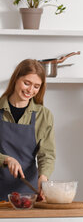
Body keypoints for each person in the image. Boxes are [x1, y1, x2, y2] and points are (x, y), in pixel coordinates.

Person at [0, 59, 55, 200]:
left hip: (26, 193)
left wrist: (43, 178)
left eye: (36, 86)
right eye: (27, 83)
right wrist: (6, 159)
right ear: (16, 79)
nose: (30, 90)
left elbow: (47, 154)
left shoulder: (44, 115)